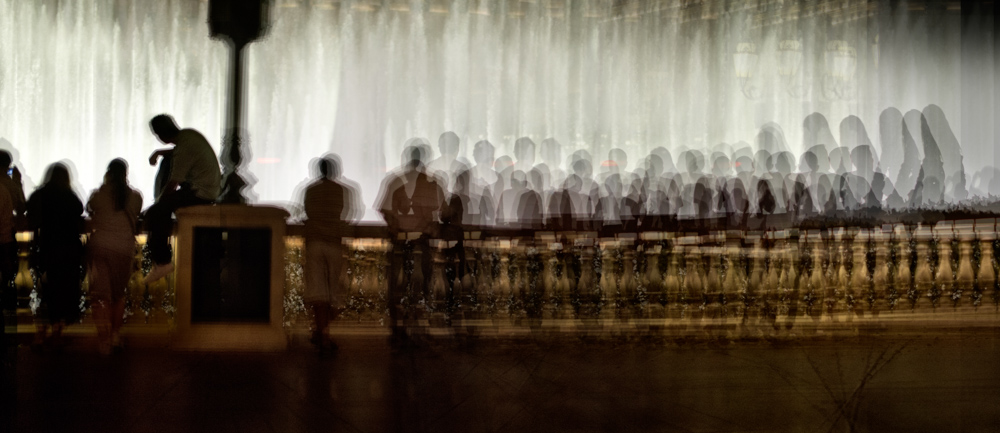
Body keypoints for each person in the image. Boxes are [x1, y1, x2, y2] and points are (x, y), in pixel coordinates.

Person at [143, 114, 221, 283]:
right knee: (161, 209)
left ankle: (162, 262)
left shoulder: (183, 149)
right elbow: (180, 152)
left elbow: (172, 184)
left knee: (155, 213)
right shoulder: (189, 135)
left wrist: (158, 204)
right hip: (209, 190)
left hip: (200, 193)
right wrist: (159, 152)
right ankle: (161, 259)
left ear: (160, 136)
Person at [302, 155, 360, 354]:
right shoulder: (343, 190)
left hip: (314, 242)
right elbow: (350, 214)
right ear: (335, 171)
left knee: (318, 293)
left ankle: (321, 333)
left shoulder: (310, 190)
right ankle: (324, 334)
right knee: (336, 292)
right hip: (334, 243)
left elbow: (307, 212)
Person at [87, 159, 143, 355]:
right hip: (123, 249)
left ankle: (103, 340)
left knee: (100, 296)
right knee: (118, 296)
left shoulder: (100, 194)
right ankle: (115, 335)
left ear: (108, 173)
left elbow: (89, 208)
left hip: (101, 247)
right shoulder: (135, 197)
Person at [27, 163, 84, 349]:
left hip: (47, 250)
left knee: (44, 292)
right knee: (63, 293)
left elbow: (32, 218)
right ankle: (58, 332)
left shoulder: (40, 195)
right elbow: (80, 213)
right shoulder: (71, 198)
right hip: (68, 252)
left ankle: (40, 334)